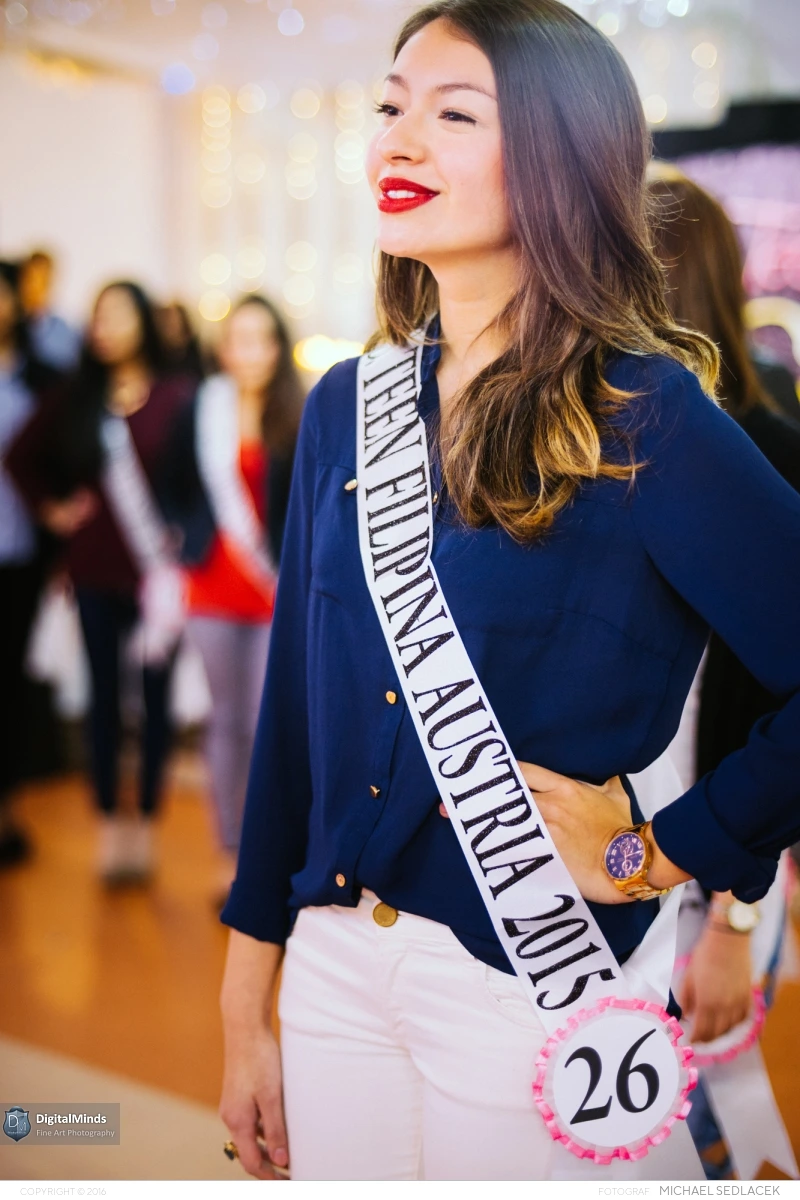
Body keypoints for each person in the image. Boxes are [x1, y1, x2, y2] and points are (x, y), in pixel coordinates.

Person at [218, 0, 800, 1182]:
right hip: (335, 967)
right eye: (389, 107)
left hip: (530, 982)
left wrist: (655, 854)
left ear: (558, 155)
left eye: (452, 114)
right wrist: (245, 995)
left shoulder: (644, 416)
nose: (395, 140)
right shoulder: (344, 408)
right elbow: (294, 717)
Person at [649, 171, 800, 1179]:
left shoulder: (764, 452)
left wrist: (733, 918)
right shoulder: (599, 446)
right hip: (619, 854)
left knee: (704, 1121)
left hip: (721, 856)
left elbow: (773, 712)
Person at [6, 282, 192, 884]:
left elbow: (196, 480)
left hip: (158, 578)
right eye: (98, 316)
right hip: (92, 572)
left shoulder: (177, 396)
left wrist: (185, 536)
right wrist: (54, 511)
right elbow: (19, 457)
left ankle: (148, 823)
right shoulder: (76, 395)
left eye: (118, 314)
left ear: (143, 321)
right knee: (104, 701)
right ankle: (111, 822)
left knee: (157, 702)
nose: (105, 326)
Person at [162, 295, 301, 904]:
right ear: (223, 348)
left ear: (278, 347)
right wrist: (183, 534)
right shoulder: (202, 405)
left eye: (262, 339)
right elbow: (168, 480)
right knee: (226, 723)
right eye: (239, 339)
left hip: (274, 590)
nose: (250, 352)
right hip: (213, 589)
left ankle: (273, 856)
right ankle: (232, 855)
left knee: (267, 722)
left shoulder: (298, 411)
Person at [0, 260, 62, 868]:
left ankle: (6, 808)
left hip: (18, 554)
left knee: (10, 682)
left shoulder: (40, 377)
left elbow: (59, 456)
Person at [18, 250, 81, 373]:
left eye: (43, 281)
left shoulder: (65, 331)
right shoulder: (9, 326)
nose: (35, 288)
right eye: (31, 280)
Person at [156, 301, 206, 383]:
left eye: (174, 318)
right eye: (168, 319)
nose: (172, 323)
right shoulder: (159, 352)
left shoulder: (194, 348)